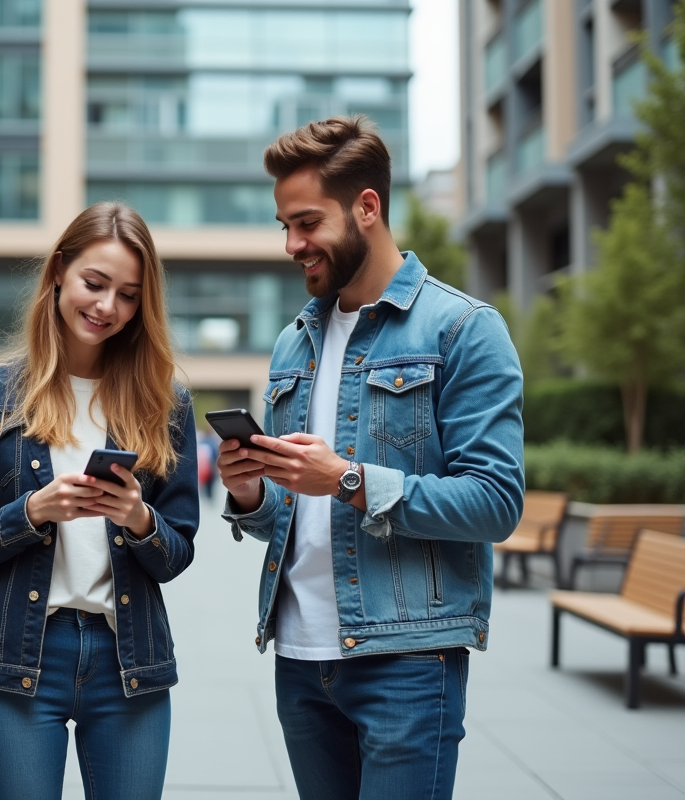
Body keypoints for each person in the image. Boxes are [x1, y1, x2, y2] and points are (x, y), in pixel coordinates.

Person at [215, 116, 524, 800]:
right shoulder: (293, 343)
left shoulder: (464, 330)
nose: (292, 245)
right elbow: (293, 516)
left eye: (306, 222)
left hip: (406, 661)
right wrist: (250, 497)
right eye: (283, 226)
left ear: (368, 207)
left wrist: (349, 479)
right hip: (298, 656)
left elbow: (496, 504)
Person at [0, 202, 200, 800]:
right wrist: (33, 512)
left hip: (128, 660)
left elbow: (177, 553)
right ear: (59, 271)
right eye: (95, 283)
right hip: (20, 656)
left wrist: (138, 520)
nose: (108, 307)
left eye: (129, 295)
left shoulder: (164, 403)